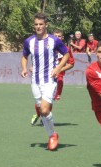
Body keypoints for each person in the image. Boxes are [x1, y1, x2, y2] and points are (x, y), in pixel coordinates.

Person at [21, 13, 69, 151]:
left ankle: (53, 135)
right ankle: (51, 135)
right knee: (42, 112)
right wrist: (24, 68)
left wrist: (58, 68)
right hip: (35, 81)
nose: (38, 27)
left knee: (45, 109)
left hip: (50, 80)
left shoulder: (54, 40)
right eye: (36, 24)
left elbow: (66, 54)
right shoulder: (29, 41)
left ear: (46, 25)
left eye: (41, 24)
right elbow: (24, 56)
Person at [31, 29, 75, 126]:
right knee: (40, 100)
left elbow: (71, 64)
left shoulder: (66, 49)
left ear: (62, 38)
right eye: (55, 36)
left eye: (59, 36)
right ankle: (39, 114)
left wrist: (59, 69)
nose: (57, 38)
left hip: (57, 79)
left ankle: (44, 118)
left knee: (48, 100)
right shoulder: (46, 46)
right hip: (43, 76)